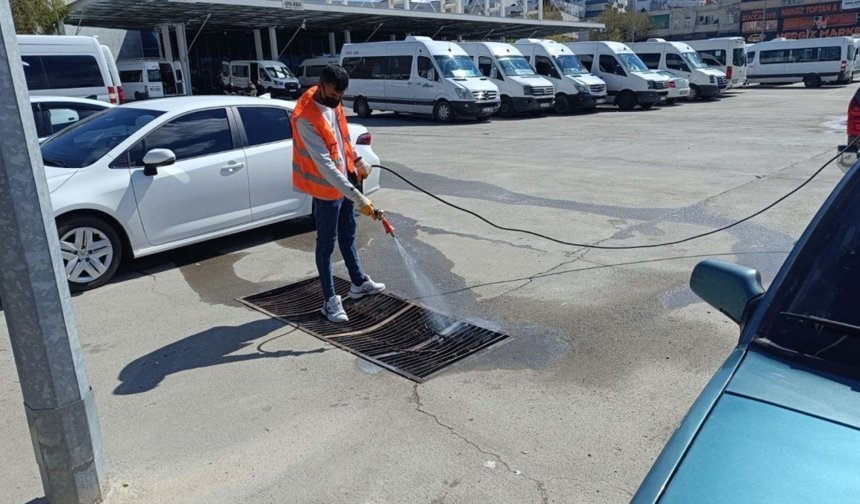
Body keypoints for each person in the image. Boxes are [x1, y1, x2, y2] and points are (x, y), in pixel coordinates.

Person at [290, 64, 385, 323]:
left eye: (341, 97)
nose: (337, 102)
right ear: (321, 86)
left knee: (348, 234)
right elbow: (326, 166)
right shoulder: (305, 118)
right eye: (333, 96)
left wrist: (357, 159)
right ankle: (329, 301)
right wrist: (359, 197)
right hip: (326, 189)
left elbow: (342, 137)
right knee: (326, 245)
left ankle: (357, 283)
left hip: (345, 181)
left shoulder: (335, 102)